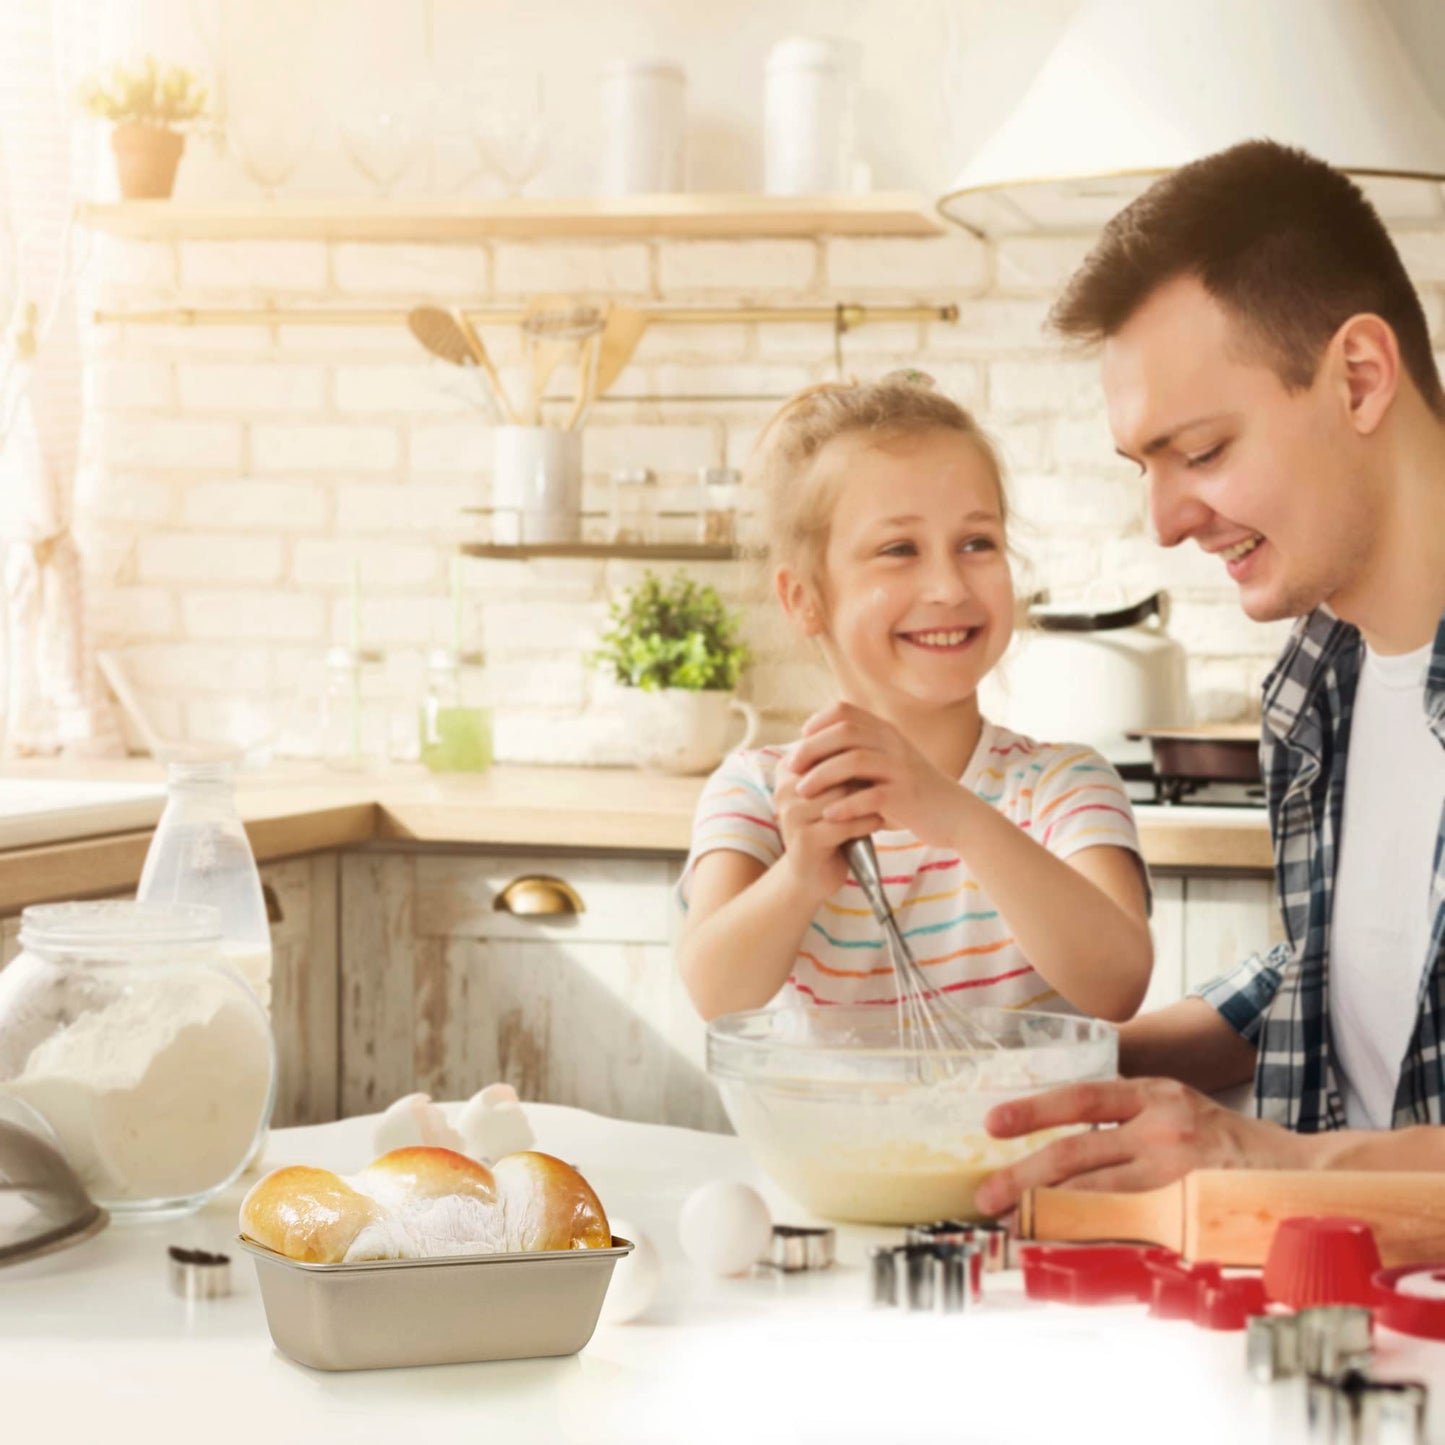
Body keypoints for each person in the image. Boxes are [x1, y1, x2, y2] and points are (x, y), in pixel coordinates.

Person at [975, 140, 1445, 1217]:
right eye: (1144, 466)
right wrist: (1063, 1072)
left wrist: (1263, 1161)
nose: (1164, 520)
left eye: (1200, 449)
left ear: (1358, 377)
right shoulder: (1313, 687)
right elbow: (1344, 965)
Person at [675, 374, 1152, 1027]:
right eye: (898, 549)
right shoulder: (758, 793)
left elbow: (1117, 984)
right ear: (802, 599)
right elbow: (715, 995)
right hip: (822, 1134)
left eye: (976, 543)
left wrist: (955, 815)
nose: (947, 585)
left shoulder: (1062, 786)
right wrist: (799, 878)